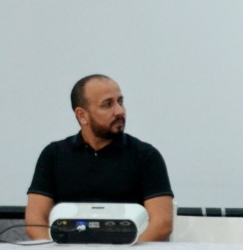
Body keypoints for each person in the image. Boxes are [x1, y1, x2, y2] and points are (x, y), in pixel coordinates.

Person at [25, 74, 173, 241]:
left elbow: (162, 223)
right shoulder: (54, 155)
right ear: (82, 115)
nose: (119, 111)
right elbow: (35, 221)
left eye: (120, 102)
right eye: (107, 104)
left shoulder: (146, 156)